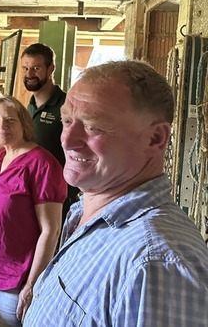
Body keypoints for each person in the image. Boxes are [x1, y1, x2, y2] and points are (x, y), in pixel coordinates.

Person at [23, 60, 208, 326]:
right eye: (66, 120)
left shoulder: (156, 265)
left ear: (155, 138)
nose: (66, 140)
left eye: (93, 126)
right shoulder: (86, 210)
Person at [0, 95, 66, 327]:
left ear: (24, 123)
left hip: (16, 277)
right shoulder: (1, 156)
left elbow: (51, 230)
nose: (2, 127)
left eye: (10, 120)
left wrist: (32, 285)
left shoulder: (42, 164)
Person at [21, 43, 80, 222]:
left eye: (36, 68)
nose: (29, 74)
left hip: (58, 199)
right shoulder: (28, 107)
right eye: (25, 68)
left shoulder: (68, 106)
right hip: (30, 195)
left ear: (51, 69)